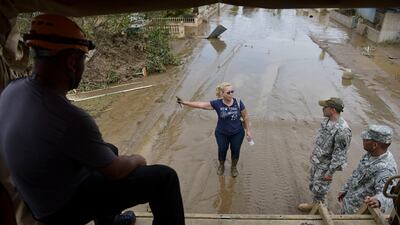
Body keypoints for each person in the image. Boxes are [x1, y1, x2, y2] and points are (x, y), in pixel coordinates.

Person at [0, 14, 185, 225]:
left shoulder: (12, 90)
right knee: (165, 178)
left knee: (110, 150)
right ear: (71, 61)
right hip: (60, 209)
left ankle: (109, 221)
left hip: (37, 196)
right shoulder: (69, 118)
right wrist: (137, 159)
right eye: (83, 59)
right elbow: (115, 171)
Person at [176, 82, 253, 177]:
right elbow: (201, 105)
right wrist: (184, 102)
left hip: (237, 133)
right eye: (228, 92)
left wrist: (248, 131)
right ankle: (221, 166)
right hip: (221, 133)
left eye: (232, 91)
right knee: (222, 150)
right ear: (222, 93)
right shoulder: (217, 103)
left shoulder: (238, 102)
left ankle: (234, 167)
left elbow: (245, 116)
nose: (231, 94)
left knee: (236, 150)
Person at [298, 97, 352, 212]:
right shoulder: (326, 121)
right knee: (313, 185)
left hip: (326, 166)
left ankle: (322, 211)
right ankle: (315, 204)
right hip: (318, 161)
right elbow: (321, 141)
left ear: (332, 109)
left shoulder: (342, 130)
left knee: (321, 190)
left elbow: (340, 155)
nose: (322, 109)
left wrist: (330, 172)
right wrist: (314, 155)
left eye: (325, 107)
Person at [338, 124, 397, 214]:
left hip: (358, 214)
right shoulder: (370, 154)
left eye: (366, 139)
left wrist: (378, 200)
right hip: (349, 204)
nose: (363, 140)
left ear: (375, 145)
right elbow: (356, 174)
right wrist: (345, 189)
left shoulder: (385, 169)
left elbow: (388, 194)